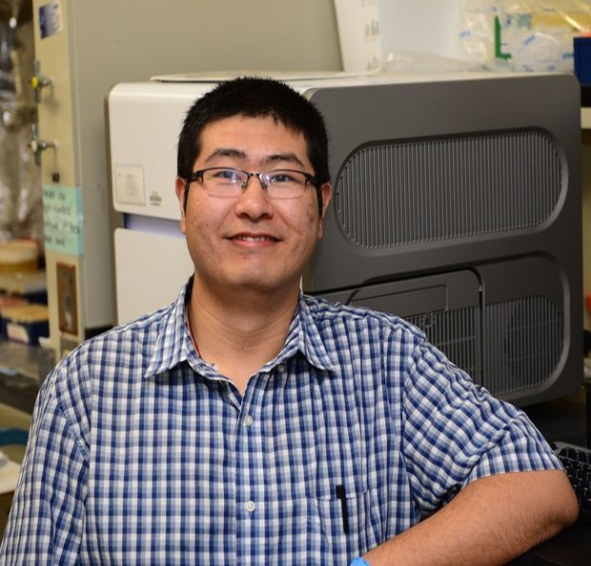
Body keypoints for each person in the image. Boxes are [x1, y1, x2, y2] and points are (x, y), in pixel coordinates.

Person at [0, 77, 578, 565]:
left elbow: (538, 485)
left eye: (282, 177)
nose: (253, 204)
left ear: (321, 208)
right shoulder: (86, 390)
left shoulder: (388, 360)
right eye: (225, 174)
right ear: (182, 200)